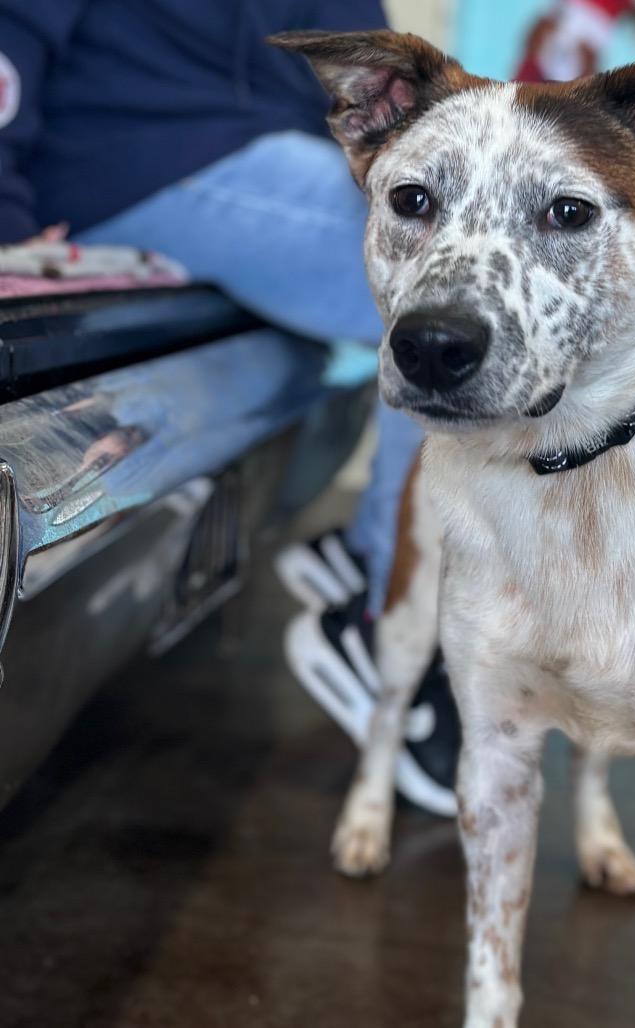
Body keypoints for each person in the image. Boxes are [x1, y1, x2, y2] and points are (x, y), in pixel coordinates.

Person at [0, 0, 455, 810]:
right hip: (130, 156)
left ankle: (378, 558)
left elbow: (363, 47)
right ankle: (390, 631)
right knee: (440, 274)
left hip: (263, 151)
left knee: (465, 247)